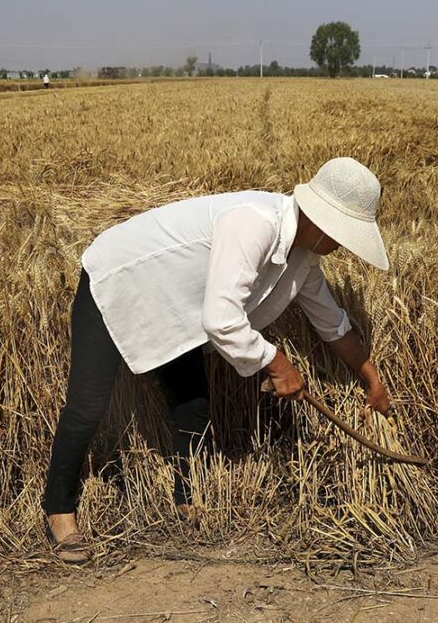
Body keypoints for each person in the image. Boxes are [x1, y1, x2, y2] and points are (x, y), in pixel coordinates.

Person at [42, 157, 392, 564]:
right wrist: (277, 363)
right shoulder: (254, 223)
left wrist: (371, 378)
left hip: (178, 305)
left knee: (193, 405)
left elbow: (332, 324)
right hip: (119, 280)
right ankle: (59, 508)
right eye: (343, 235)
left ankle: (184, 501)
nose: (343, 247)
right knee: (89, 405)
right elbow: (222, 319)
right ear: (321, 220)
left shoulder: (303, 260)